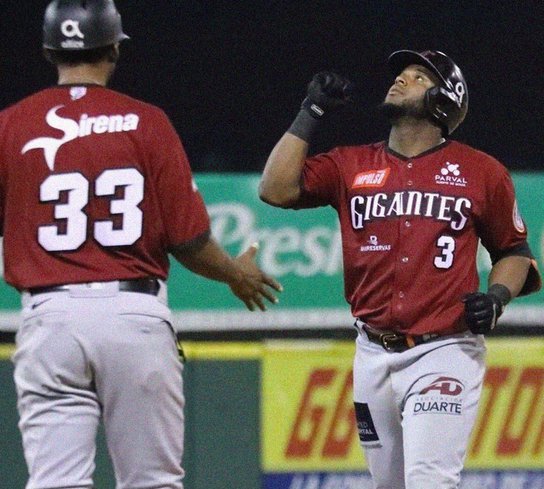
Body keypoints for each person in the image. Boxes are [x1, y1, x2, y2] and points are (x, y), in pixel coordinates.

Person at [0, 1, 282, 488]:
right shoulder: (145, 122)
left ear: (49, 51)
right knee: (151, 483)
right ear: (113, 48)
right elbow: (189, 240)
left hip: (48, 320)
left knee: (54, 483)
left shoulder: (10, 125)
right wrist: (235, 274)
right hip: (133, 316)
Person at [259, 50, 541, 488]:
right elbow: (275, 189)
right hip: (371, 351)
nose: (401, 79)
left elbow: (514, 251)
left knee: (429, 481)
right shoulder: (350, 164)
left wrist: (496, 297)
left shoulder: (482, 171)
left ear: (446, 99)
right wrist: (309, 112)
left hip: (444, 347)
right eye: (402, 73)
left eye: (419, 76)